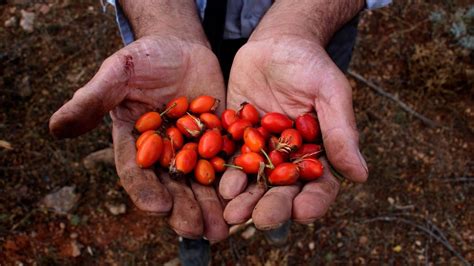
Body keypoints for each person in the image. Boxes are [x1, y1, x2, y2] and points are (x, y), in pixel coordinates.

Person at [49, 0, 391, 264]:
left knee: (302, 129)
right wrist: (167, 22)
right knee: (191, 194)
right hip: (187, 24)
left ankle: (274, 191)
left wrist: (301, 21)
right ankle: (194, 236)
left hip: (311, 33)